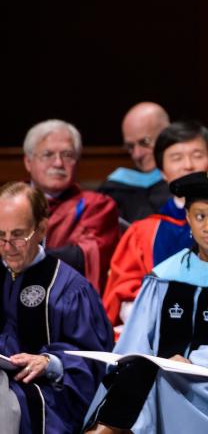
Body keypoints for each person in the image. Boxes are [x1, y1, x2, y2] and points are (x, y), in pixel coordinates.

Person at [83, 171, 208, 433]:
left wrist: (195, 363)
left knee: (145, 384)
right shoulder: (165, 275)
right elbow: (136, 340)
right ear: (188, 218)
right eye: (200, 216)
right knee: (136, 376)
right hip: (155, 379)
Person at [102, 121, 208, 328]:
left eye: (197, 155)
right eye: (176, 158)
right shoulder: (144, 233)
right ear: (162, 171)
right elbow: (123, 296)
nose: (188, 165)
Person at [0, 182, 114, 434]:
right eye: (0, 236)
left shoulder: (69, 288)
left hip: (47, 393)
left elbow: (96, 360)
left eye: (18, 235)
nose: (7, 247)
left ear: (41, 229)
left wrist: (49, 362)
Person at [22, 119, 120, 292]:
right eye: (47, 154)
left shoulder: (97, 205)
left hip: (68, 299)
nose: (58, 163)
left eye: (67, 155)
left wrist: (23, 258)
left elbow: (83, 257)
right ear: (28, 162)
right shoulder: (6, 204)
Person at [99, 102, 172, 224]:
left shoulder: (185, 181)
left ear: (166, 135)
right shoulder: (115, 188)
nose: (137, 154)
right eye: (130, 146)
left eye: (145, 142)